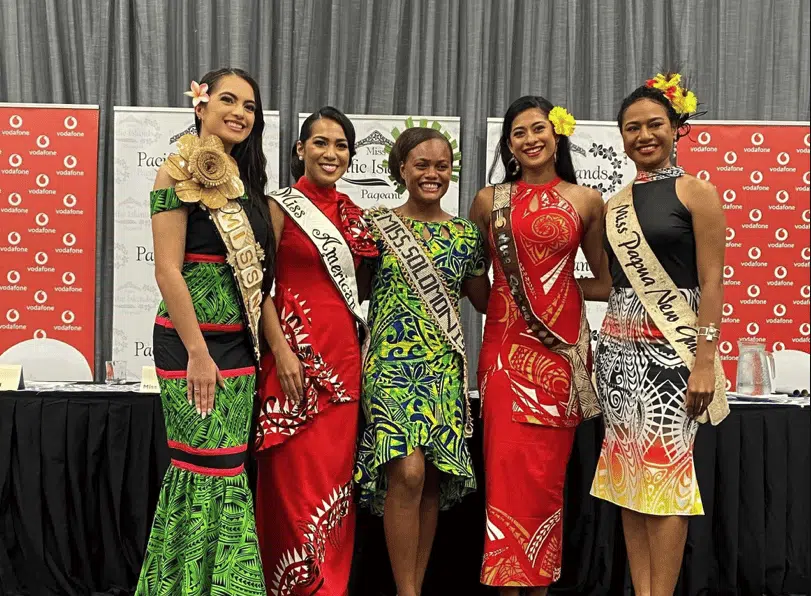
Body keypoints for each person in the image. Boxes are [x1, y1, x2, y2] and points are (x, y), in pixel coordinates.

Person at [581, 74, 728, 596]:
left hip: (674, 352)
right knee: (628, 479)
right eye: (632, 128)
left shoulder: (698, 193)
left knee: (666, 479)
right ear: (621, 137)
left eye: (654, 125)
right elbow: (605, 283)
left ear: (676, 129)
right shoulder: (613, 202)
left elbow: (712, 282)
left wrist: (705, 360)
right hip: (619, 351)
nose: (644, 136)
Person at [136, 68, 273, 596]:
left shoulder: (247, 183)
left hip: (239, 344)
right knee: (200, 469)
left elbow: (258, 279)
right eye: (228, 100)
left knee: (229, 469)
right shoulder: (172, 173)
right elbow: (168, 269)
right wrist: (196, 352)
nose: (240, 112)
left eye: (249, 106)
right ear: (200, 105)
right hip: (189, 344)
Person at [469, 96, 604, 595]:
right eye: (518, 133)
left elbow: (605, 282)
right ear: (508, 145)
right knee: (506, 484)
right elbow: (474, 280)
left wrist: (559, 293)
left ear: (557, 134)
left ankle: (540, 587)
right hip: (504, 358)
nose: (530, 139)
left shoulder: (586, 201)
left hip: (560, 357)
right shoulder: (489, 201)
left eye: (538, 129)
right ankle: (508, 588)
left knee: (547, 487)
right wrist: (507, 304)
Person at [353, 127, 490, 596]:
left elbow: (486, 301)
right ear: (401, 169)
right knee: (406, 471)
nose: (433, 174)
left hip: (442, 367)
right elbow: (356, 293)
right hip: (389, 365)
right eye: (421, 165)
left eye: (442, 166)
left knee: (431, 477)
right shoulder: (375, 225)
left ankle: (413, 586)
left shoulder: (466, 235)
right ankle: (405, 591)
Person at [254, 107, 378, 596]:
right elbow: (256, 286)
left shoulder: (355, 214)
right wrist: (280, 352)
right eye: (321, 143)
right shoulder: (278, 207)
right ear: (299, 150)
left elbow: (363, 289)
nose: (331, 153)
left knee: (334, 490)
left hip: (343, 363)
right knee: (291, 485)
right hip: (292, 360)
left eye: (341, 145)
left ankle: (331, 587)